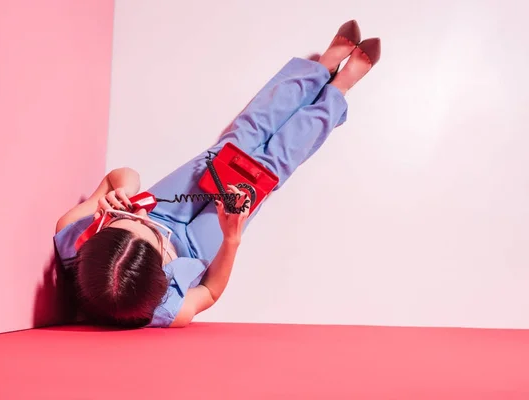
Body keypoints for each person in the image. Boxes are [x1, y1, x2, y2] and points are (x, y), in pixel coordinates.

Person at [54, 20, 380, 329]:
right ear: (160, 275)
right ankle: (339, 89)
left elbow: (120, 177)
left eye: (129, 221)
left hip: (166, 209)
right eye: (146, 229)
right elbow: (209, 292)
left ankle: (318, 69)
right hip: (198, 246)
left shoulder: (72, 233)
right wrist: (232, 238)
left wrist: (124, 190)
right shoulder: (167, 309)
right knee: (272, 166)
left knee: (239, 140)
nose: (140, 213)